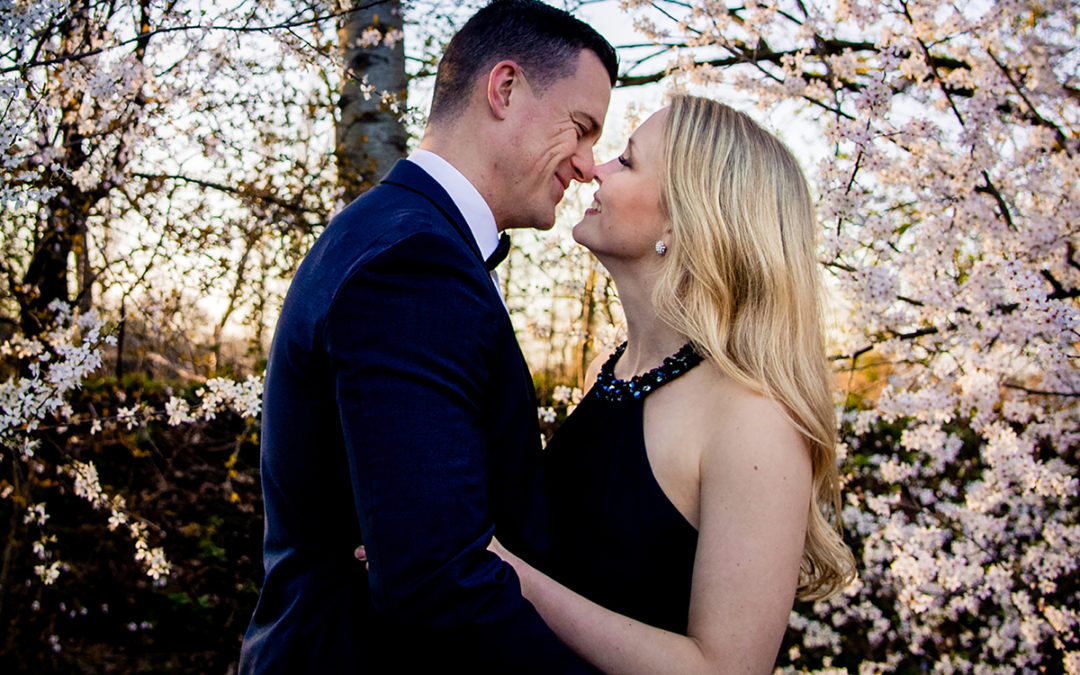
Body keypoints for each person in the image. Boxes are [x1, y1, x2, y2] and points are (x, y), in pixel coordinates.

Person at [238, 1, 617, 672]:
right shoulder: (414, 261)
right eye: (581, 128)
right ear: (504, 89)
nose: (589, 165)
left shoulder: (391, 231)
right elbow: (437, 582)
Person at [488, 95, 857, 673]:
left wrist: (508, 578)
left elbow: (724, 668)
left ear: (684, 219)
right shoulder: (608, 373)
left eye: (628, 162)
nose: (595, 168)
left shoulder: (752, 417)